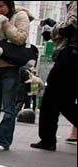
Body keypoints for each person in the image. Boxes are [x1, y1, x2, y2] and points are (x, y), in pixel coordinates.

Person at [0, 1, 32, 151]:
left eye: (1, 6)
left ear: (9, 5)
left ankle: (4, 141)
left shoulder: (20, 16)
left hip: (11, 67)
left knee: (9, 107)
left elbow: (20, 38)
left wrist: (5, 23)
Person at [31, 1, 76, 151]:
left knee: (52, 99)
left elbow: (71, 26)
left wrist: (55, 27)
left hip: (71, 58)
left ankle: (48, 139)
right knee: (64, 101)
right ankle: (47, 138)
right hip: (70, 56)